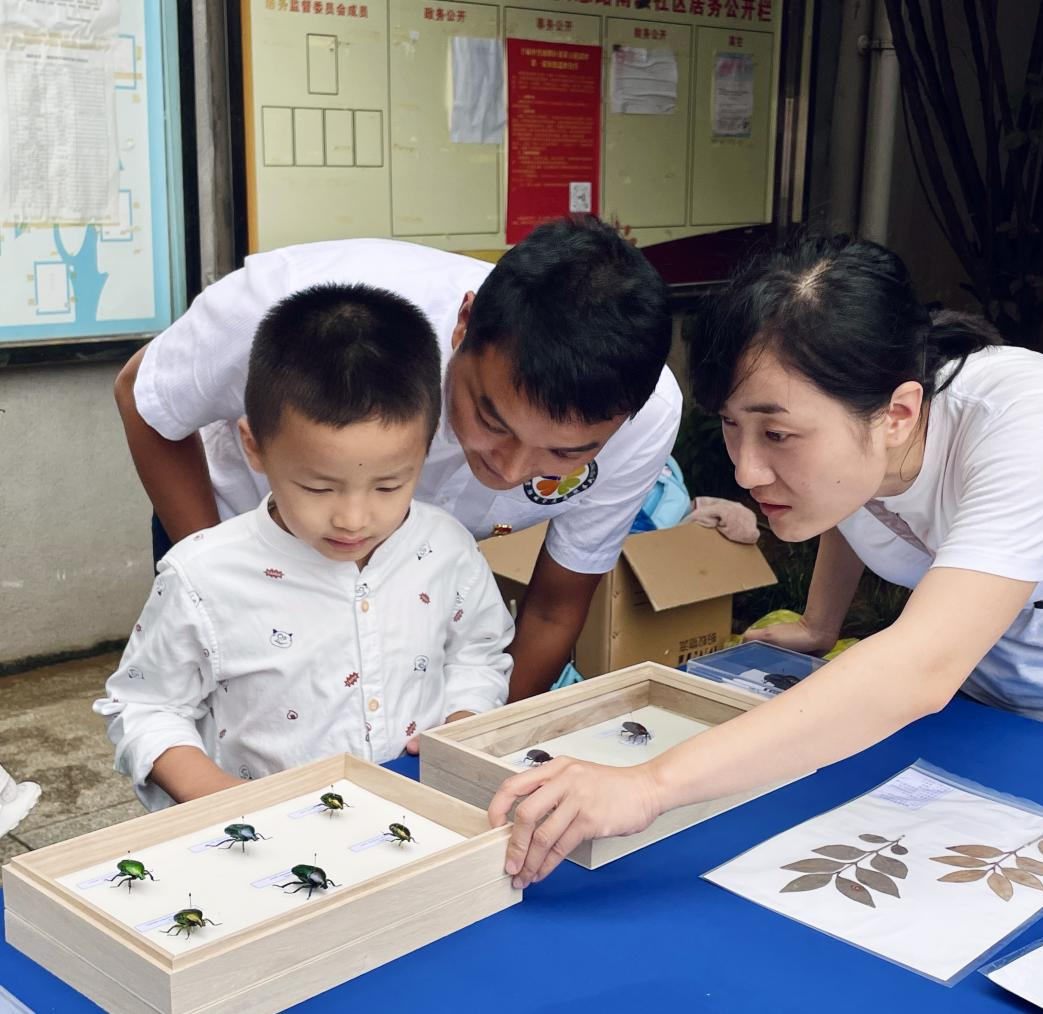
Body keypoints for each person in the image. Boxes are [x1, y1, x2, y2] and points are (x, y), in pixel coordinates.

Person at [487, 235, 1043, 888]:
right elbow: (852, 508)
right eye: (730, 427)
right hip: (993, 695)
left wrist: (651, 785)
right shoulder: (862, 445)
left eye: (778, 436)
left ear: (898, 413)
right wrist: (821, 625)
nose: (747, 471)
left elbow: (919, 668)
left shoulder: (1030, 427)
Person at [113, 216, 680, 702]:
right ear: (464, 324)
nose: (509, 471)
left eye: (565, 454)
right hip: (237, 524)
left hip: (413, 576)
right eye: (491, 420)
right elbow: (146, 397)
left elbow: (555, 610)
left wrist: (474, 751)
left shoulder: (647, 421)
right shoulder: (301, 307)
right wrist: (225, 576)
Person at [96, 284, 513, 810]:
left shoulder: (447, 549)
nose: (353, 518)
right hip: (264, 845)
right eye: (318, 487)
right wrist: (216, 798)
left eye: (389, 485)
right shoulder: (202, 576)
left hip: (416, 817)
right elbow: (144, 706)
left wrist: (464, 721)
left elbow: (478, 653)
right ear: (255, 447)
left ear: (426, 448)